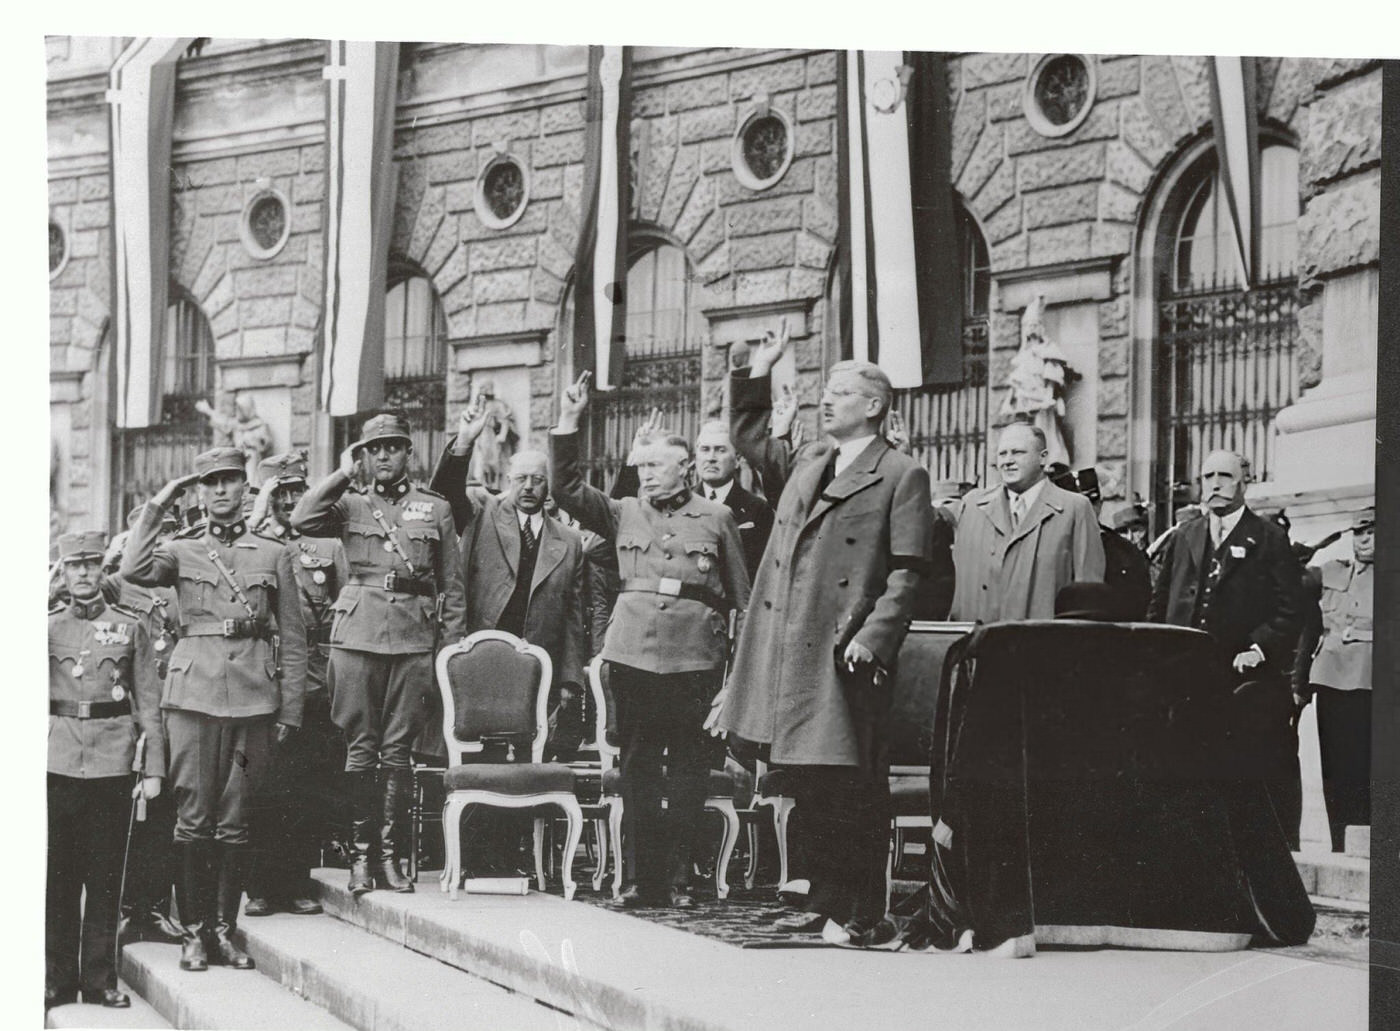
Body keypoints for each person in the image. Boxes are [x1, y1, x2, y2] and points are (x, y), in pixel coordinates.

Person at [717, 324, 934, 948]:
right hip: (793, 647)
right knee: (809, 781)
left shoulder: (901, 473)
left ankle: (863, 909)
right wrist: (757, 372)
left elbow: (908, 569)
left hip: (848, 653)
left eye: (840, 392)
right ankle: (828, 898)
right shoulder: (812, 462)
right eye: (826, 391)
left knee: (853, 786)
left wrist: (875, 634)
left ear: (874, 405)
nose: (826, 400)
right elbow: (750, 435)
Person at [550, 371, 751, 910]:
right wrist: (569, 424)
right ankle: (642, 879)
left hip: (695, 658)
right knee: (637, 768)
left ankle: (682, 878)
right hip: (633, 653)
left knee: (687, 771)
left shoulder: (718, 517)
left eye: (655, 466)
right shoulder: (622, 511)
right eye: (639, 467)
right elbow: (565, 488)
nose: (645, 475)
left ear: (685, 467)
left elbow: (743, 600)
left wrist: (734, 678)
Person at [121, 447, 308, 973]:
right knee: (193, 818)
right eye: (212, 483)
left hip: (253, 701)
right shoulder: (181, 550)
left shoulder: (272, 552)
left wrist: (290, 709)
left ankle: (226, 932)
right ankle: (194, 934)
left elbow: (293, 635)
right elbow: (134, 567)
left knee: (236, 820)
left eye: (231, 481)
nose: (222, 491)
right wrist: (159, 504)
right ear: (200, 491)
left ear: (246, 489)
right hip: (193, 699)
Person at [291, 413, 467, 897]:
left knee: (398, 751)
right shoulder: (348, 505)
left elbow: (452, 589)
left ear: (409, 452)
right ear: (365, 456)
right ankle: (361, 859)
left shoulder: (434, 509)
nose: (384, 455)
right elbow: (301, 518)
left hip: (413, 639)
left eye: (393, 446)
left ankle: (392, 859)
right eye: (375, 448)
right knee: (360, 747)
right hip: (357, 635)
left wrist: (446, 655)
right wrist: (344, 472)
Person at [430, 410, 590, 875]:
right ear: (507, 480)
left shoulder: (569, 541)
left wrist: (568, 678)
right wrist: (463, 443)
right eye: (520, 478)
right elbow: (446, 493)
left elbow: (575, 617)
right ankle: (474, 860)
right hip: (481, 660)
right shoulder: (482, 512)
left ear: (549, 486)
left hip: (537, 669)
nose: (529, 487)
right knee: (483, 754)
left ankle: (511, 859)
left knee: (526, 760)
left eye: (538, 480)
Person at [1146, 449, 1303, 846]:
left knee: (1234, 777)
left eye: (1225, 476)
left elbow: (1291, 609)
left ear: (1244, 482)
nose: (1214, 484)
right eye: (1207, 476)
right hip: (1183, 678)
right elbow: (1160, 601)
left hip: (1237, 680)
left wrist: (1258, 648)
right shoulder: (1185, 535)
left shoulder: (1269, 537)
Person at [47, 531, 165, 1011]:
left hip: (113, 763)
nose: (83, 573)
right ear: (63, 571)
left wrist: (153, 767)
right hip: (55, 763)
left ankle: (99, 979)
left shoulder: (129, 626)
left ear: (102, 570)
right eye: (74, 565)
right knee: (57, 876)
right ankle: (56, 979)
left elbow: (149, 705)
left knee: (105, 874)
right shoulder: (46, 628)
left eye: (91, 565)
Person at [242, 451, 350, 916]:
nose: (289, 501)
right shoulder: (251, 545)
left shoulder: (328, 546)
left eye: (296, 492)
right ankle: (260, 885)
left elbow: (345, 611)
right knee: (262, 789)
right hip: (263, 681)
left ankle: (299, 880)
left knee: (308, 789)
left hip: (313, 686)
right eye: (279, 492)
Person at [102, 506, 184, 947]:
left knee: (164, 814)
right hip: (126, 715)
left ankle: (153, 908)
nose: (160, 548)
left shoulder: (182, 588)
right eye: (151, 539)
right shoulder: (116, 585)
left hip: (173, 712)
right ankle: (123, 908)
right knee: (122, 818)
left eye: (167, 537)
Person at [949, 423, 1105, 623]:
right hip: (981, 645)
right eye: (1002, 454)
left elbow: (1088, 593)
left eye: (1017, 452)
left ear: (1043, 457)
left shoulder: (1074, 509)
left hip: (1043, 646)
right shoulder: (973, 506)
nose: (1007, 461)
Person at [1296, 508, 1373, 851]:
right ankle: (1341, 842)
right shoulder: (1331, 571)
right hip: (1330, 680)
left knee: (1368, 769)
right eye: (1358, 533)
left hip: (1372, 680)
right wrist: (1310, 546)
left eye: (1371, 531)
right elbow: (1286, 576)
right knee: (1335, 769)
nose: (1364, 539)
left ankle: (1369, 845)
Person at [1076, 468, 1151, 621]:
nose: (1086, 509)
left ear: (1100, 504)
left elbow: (1140, 602)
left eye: (1092, 502)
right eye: (1077, 503)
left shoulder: (1124, 551)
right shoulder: (1049, 548)